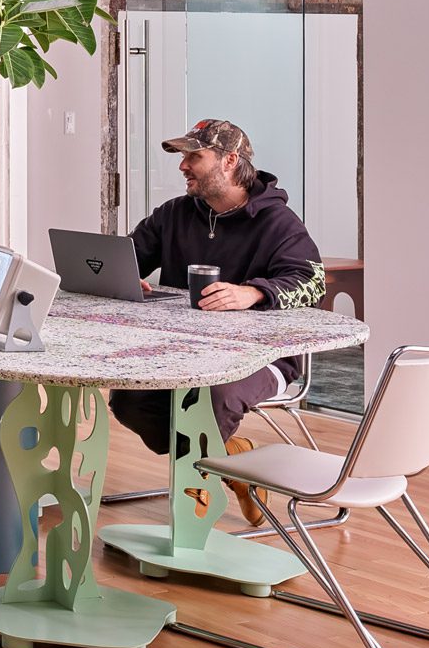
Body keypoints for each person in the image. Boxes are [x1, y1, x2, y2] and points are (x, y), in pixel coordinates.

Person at [107, 118, 326, 523]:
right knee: (129, 400)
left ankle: (195, 506)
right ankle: (231, 460)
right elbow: (128, 256)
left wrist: (254, 291)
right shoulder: (174, 214)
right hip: (182, 352)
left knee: (214, 396)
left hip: (264, 358)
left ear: (229, 161)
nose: (182, 166)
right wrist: (123, 273)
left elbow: (313, 281)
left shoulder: (278, 223)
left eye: (194, 156)